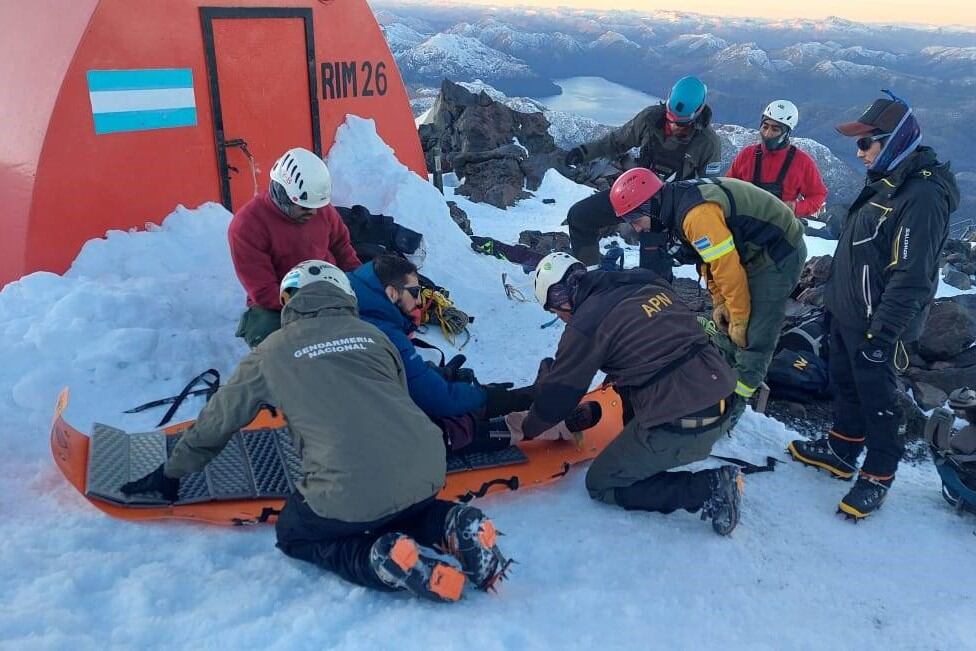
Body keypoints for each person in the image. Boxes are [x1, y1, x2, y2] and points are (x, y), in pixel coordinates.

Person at [119, 260, 509, 602]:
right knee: (396, 502)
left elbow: (218, 420)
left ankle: (379, 560)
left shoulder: (271, 351)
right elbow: (397, 400)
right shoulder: (376, 336)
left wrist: (172, 471)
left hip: (350, 484)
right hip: (426, 469)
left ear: (291, 301)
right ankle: (451, 522)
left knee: (297, 532)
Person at [788, 91, 958, 519]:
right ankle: (842, 450)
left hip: (877, 323)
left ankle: (879, 475)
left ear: (895, 140)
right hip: (849, 311)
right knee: (846, 384)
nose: (858, 151)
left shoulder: (921, 196)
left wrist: (882, 335)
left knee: (879, 400)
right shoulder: (888, 179)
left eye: (866, 143)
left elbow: (912, 276)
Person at [504, 252, 744, 535]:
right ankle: (647, 440)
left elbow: (558, 397)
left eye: (555, 310)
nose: (560, 317)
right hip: (725, 397)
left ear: (560, 297)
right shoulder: (643, 280)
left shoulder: (586, 324)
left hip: (690, 421)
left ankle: (709, 488)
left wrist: (527, 429)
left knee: (602, 483)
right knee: (638, 377)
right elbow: (649, 342)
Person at [609, 168, 807, 420]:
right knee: (726, 326)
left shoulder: (696, 215)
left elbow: (727, 268)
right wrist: (720, 301)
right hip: (748, 249)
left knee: (754, 333)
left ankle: (731, 407)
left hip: (778, 251)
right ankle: (717, 385)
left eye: (635, 218)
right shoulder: (675, 205)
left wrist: (740, 318)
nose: (636, 227)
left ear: (651, 205)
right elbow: (709, 260)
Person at [348, 254, 571, 453]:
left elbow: (399, 378)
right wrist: (485, 395)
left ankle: (531, 396)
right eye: (414, 292)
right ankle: (537, 423)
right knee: (453, 427)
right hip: (367, 443)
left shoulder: (354, 314)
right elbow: (439, 399)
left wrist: (436, 376)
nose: (418, 301)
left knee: (450, 394)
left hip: (355, 422)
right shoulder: (383, 333)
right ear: (391, 293)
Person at [563, 76, 723, 268]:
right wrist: (583, 152)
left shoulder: (708, 143)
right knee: (580, 217)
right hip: (633, 194)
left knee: (653, 275)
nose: (673, 126)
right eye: (669, 118)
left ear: (696, 115)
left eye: (680, 124)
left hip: (666, 213)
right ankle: (589, 275)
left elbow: (708, 191)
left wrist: (685, 232)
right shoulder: (651, 119)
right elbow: (617, 141)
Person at [228, 148, 361, 348]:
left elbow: (343, 250)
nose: (314, 213)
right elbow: (263, 290)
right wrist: (310, 308)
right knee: (272, 338)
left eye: (317, 206)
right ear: (284, 196)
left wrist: (358, 284)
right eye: (305, 207)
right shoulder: (246, 226)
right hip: (280, 301)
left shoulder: (322, 211)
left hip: (329, 288)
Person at [727, 100, 827, 218]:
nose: (767, 133)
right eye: (765, 127)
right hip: (743, 221)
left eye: (775, 129)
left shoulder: (802, 162)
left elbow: (818, 195)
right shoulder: (747, 155)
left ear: (787, 133)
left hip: (780, 224)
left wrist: (795, 208)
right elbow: (727, 186)